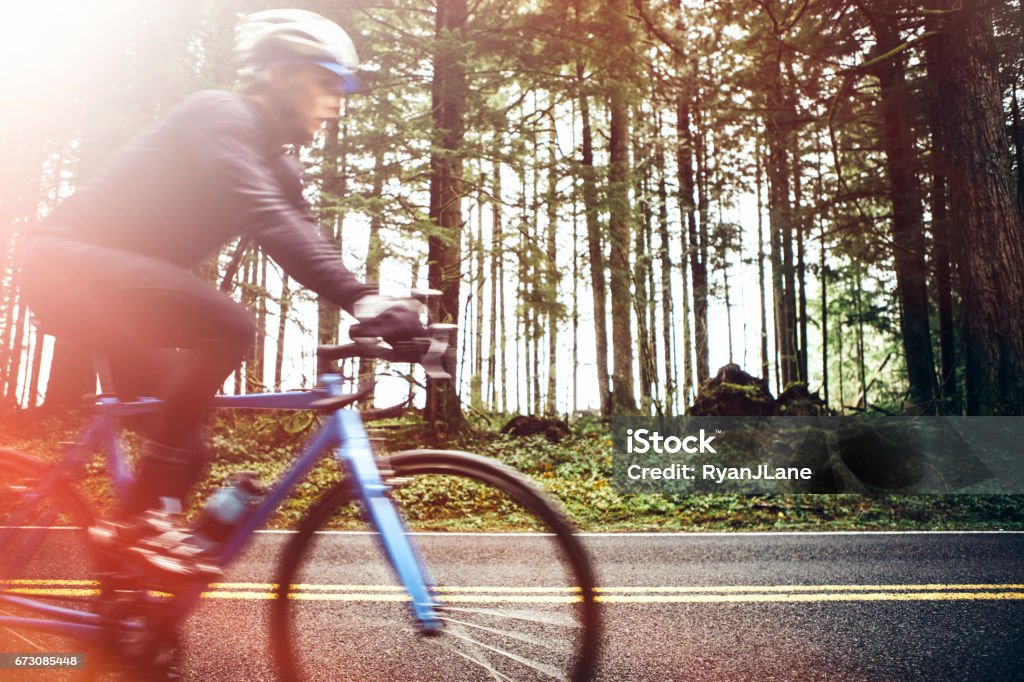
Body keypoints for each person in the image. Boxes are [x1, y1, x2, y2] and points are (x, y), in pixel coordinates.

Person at [20, 9, 423, 578]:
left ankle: (130, 605)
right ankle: (137, 521)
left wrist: (372, 301)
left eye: (343, 89)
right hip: (64, 264)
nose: (336, 101)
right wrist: (361, 298)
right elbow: (265, 216)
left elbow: (299, 230)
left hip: (124, 295)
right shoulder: (219, 116)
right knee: (230, 324)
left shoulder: (279, 165)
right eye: (325, 82)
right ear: (281, 74)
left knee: (187, 444)